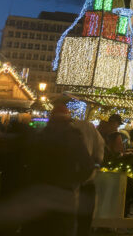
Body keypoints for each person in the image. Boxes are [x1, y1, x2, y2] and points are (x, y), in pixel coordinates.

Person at [21, 101, 94, 236]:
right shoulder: (74, 137)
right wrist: (74, 180)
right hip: (63, 191)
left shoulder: (41, 136)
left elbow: (30, 161)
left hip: (41, 189)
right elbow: (88, 165)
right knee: (61, 228)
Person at [72, 118, 104, 236]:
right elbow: (99, 154)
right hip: (85, 181)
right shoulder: (88, 128)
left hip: (69, 183)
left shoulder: (54, 131)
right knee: (83, 221)